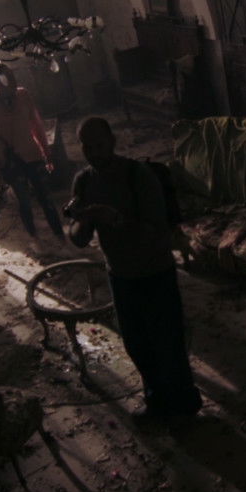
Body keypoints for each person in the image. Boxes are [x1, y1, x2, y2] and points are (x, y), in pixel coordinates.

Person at [65, 117, 202, 421]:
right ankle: (156, 403)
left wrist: (114, 219)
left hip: (156, 272)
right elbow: (78, 238)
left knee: (169, 345)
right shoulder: (84, 182)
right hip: (120, 275)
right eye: (87, 146)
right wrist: (85, 219)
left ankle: (185, 408)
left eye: (99, 144)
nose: (94, 152)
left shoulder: (137, 175)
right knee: (137, 345)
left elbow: (157, 231)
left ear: (112, 142)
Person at [0, 63, 66, 246]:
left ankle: (60, 235)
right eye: (5, 80)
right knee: (24, 202)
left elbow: (36, 127)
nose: (11, 85)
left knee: (46, 198)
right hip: (10, 162)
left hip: (33, 155)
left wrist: (46, 153)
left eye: (12, 79)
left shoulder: (23, 95)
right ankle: (35, 238)